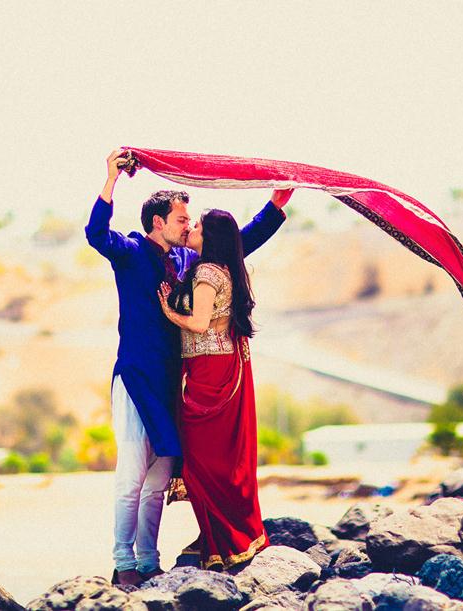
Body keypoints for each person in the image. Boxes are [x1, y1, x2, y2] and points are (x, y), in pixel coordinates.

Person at [85, 149, 292, 585]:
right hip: (137, 378)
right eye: (182, 219)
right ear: (158, 222)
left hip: (173, 385)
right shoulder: (131, 252)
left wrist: (274, 208)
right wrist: (111, 179)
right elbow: (95, 234)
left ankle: (148, 562)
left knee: (159, 480)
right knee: (131, 477)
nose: (187, 225)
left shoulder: (187, 262)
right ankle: (123, 563)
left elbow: (236, 243)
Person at [156, 208, 268, 571]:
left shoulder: (206, 273)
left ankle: (223, 541)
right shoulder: (222, 269)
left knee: (205, 460)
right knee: (219, 458)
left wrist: (169, 312)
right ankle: (223, 538)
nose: (192, 228)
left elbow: (200, 323)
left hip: (209, 374)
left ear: (211, 238)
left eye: (199, 226)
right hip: (218, 368)